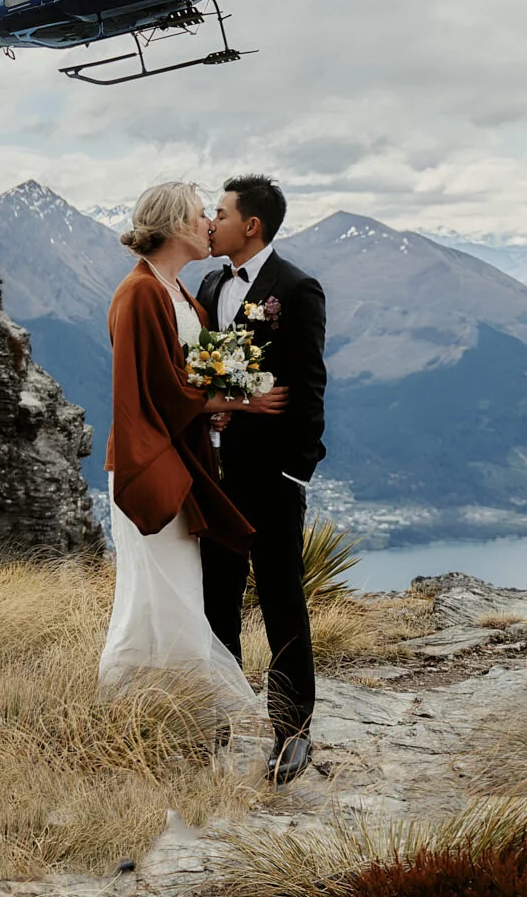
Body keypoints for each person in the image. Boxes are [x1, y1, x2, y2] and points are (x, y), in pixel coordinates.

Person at [97, 181, 289, 719]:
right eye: (203, 214)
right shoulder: (139, 292)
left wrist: (216, 403)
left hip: (178, 460)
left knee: (172, 594)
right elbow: (153, 387)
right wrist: (237, 401)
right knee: (158, 597)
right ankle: (167, 713)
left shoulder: (178, 291)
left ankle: (165, 713)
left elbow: (179, 379)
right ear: (179, 225)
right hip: (149, 463)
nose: (210, 223)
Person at [196, 174, 328, 786]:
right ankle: (218, 721)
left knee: (280, 598)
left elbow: (307, 386)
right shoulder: (210, 283)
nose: (209, 222)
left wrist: (294, 471)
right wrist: (217, 409)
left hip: (271, 474)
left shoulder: (296, 289)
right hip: (215, 471)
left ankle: (292, 731)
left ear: (251, 225)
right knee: (216, 599)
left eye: (218, 213)